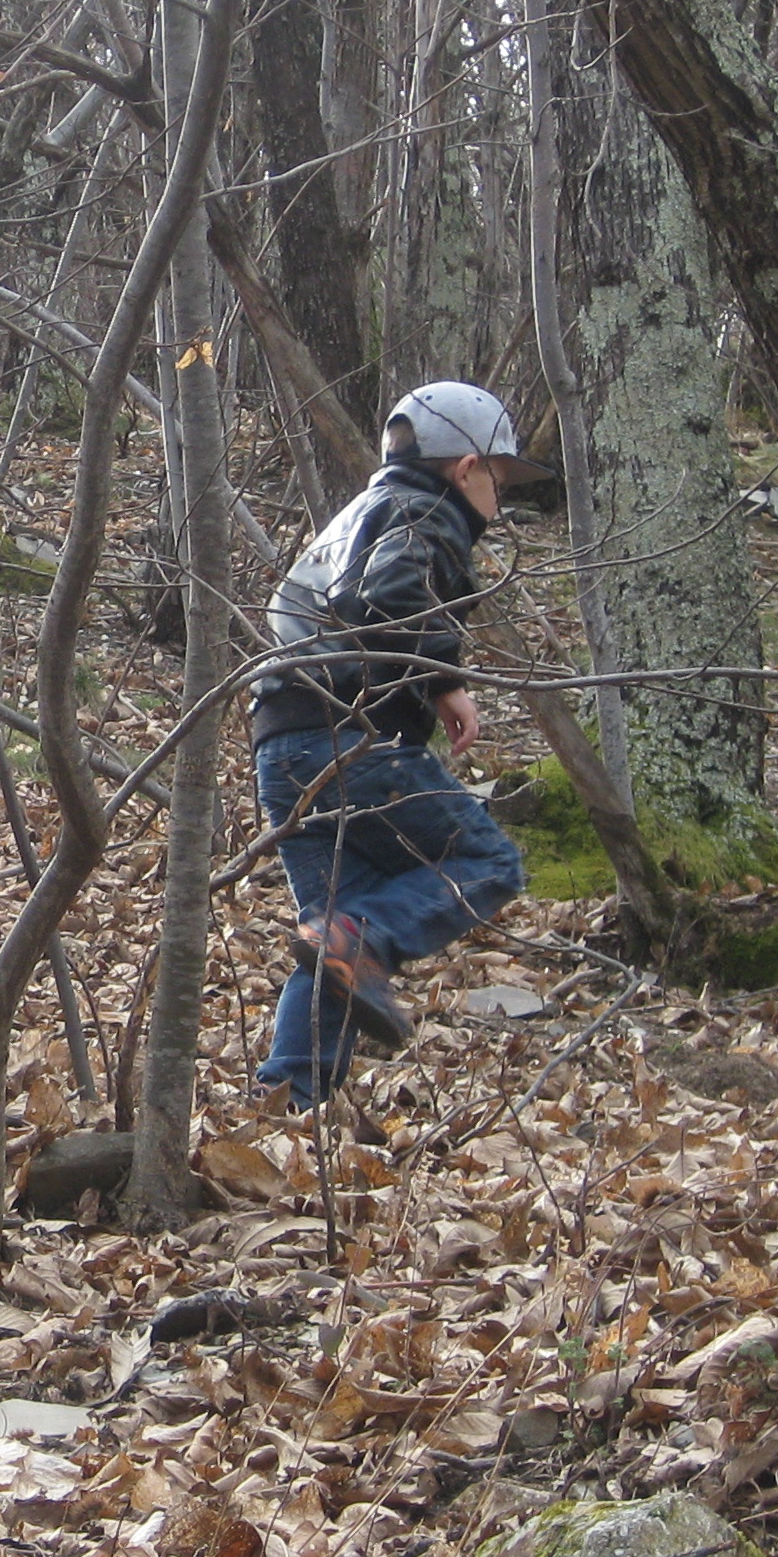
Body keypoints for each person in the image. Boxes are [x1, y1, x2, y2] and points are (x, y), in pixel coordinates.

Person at [248, 380, 542, 1105]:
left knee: (333, 939)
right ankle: (356, 943)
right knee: (487, 859)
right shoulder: (424, 511)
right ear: (467, 468)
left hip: (284, 748)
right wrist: (444, 677)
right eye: (500, 484)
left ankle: (291, 1100)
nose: (498, 508)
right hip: (347, 741)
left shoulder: (364, 511)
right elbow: (388, 596)